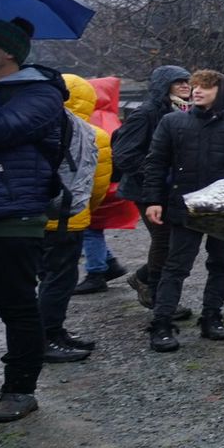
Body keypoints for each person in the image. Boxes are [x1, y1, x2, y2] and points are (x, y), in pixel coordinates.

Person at [0, 17, 68, 422]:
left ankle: (19, 390)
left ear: (8, 50)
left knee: (14, 305)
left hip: (11, 216)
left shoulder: (41, 93)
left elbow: (0, 130)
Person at [139, 69, 224, 350]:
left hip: (223, 211)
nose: (197, 90)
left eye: (206, 86)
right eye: (195, 86)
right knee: (176, 266)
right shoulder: (172, 122)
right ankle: (162, 323)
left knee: (220, 265)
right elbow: (156, 163)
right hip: (184, 206)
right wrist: (154, 200)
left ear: (222, 91)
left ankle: (212, 317)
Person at [37, 75, 115, 364]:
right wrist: (85, 210)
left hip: (34, 217)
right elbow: (97, 186)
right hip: (69, 219)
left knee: (44, 278)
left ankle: (53, 332)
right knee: (60, 281)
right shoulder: (94, 134)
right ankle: (48, 337)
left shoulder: (37, 128)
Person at [112, 66, 193, 317]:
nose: (184, 86)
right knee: (165, 240)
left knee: (175, 243)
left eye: (186, 81)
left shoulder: (186, 111)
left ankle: (144, 278)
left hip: (173, 189)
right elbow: (124, 154)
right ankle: (157, 295)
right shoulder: (146, 113)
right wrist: (155, 175)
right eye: (177, 82)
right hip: (146, 189)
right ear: (163, 85)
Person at [72, 76, 135, 295]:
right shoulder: (109, 117)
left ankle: (96, 272)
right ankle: (108, 263)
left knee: (90, 228)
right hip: (112, 183)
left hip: (99, 184)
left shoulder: (88, 118)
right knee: (92, 228)